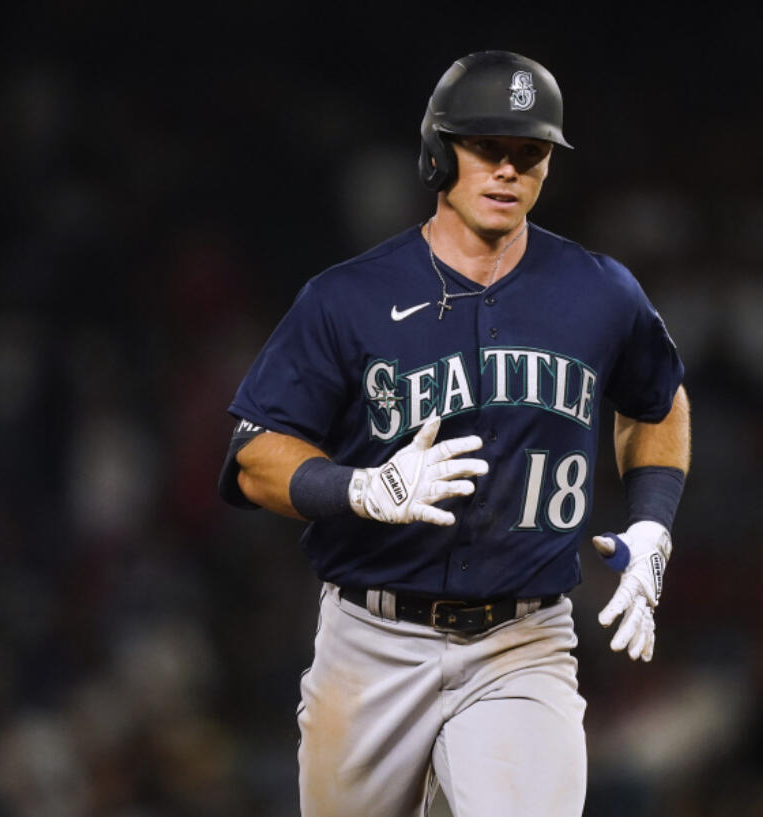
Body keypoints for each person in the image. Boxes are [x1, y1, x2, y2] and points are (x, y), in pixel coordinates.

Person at [219, 50, 691, 817]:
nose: (509, 170)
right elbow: (254, 457)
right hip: (369, 641)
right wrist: (360, 487)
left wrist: (652, 524)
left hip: (522, 643)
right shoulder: (348, 297)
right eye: (488, 149)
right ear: (439, 152)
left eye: (529, 153)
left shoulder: (599, 291)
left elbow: (659, 400)